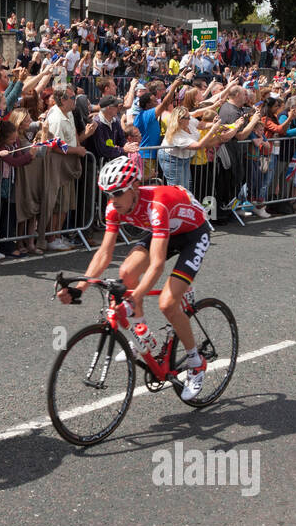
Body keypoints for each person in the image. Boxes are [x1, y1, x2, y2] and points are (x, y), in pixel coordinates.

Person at [57, 155, 213, 403]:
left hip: (193, 233)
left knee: (167, 304)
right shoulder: (114, 208)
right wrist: (80, 288)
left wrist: (133, 299)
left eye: (118, 192)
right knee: (126, 273)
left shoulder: (156, 205)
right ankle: (143, 334)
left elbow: (158, 264)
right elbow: (104, 253)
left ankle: (196, 362)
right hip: (166, 230)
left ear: (134, 188)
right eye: (108, 193)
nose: (113, 199)